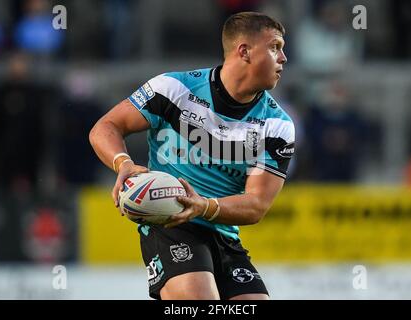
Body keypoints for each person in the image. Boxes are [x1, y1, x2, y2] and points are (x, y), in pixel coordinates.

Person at [89, 12, 295, 300]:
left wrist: (204, 206)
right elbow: (106, 126)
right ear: (244, 52)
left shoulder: (277, 125)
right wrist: (122, 162)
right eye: (275, 47)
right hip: (170, 223)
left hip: (224, 237)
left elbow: (256, 205)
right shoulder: (174, 89)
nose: (284, 57)